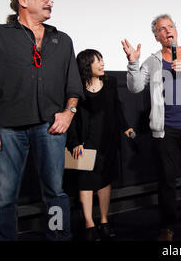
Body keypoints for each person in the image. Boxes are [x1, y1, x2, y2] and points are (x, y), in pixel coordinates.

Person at [0, 0, 84, 240]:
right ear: (22, 1)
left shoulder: (62, 39)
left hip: (50, 125)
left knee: (55, 193)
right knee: (4, 197)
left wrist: (68, 113)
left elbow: (73, 85)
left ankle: (58, 238)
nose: (49, 1)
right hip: (6, 126)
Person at [121, 14, 181, 241]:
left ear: (176, 30)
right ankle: (167, 227)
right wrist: (133, 63)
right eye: (162, 29)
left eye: (171, 26)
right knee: (167, 180)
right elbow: (135, 88)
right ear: (157, 37)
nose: (168, 31)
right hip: (166, 130)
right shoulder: (153, 61)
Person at [66, 49, 135, 241]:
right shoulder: (76, 86)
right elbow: (70, 116)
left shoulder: (110, 82)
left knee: (105, 181)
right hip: (85, 142)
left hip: (108, 140)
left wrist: (126, 128)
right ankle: (89, 224)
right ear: (86, 65)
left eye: (102, 59)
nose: (102, 63)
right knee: (85, 183)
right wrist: (74, 142)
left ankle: (104, 221)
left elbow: (117, 107)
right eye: (97, 61)